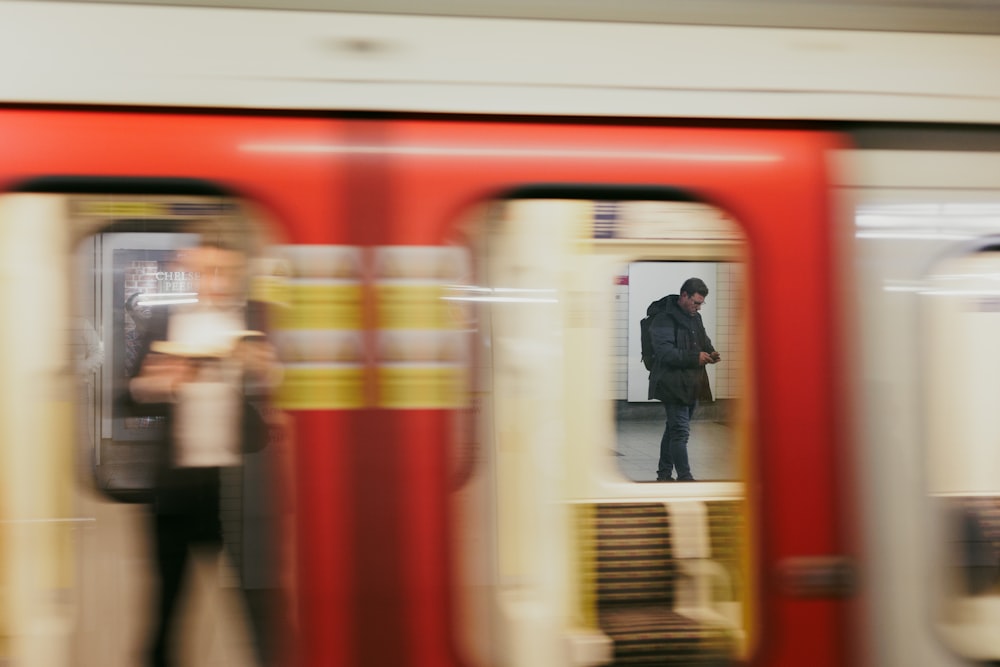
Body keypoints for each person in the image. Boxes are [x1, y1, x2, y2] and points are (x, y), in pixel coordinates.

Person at [125, 223, 283, 667]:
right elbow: (127, 396)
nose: (214, 280)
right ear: (187, 272)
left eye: (223, 271)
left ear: (238, 273)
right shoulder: (159, 320)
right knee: (166, 606)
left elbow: (292, 390)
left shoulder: (260, 320)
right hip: (176, 488)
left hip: (241, 487)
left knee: (259, 606)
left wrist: (265, 372)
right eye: (204, 270)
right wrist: (159, 383)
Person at [647, 277, 721, 482]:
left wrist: (711, 352)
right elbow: (664, 352)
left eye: (701, 304)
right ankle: (685, 478)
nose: (698, 308)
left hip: (692, 383)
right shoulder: (664, 318)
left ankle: (663, 474)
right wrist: (695, 357)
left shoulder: (695, 318)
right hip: (672, 383)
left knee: (673, 429)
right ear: (684, 296)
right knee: (680, 432)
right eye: (696, 302)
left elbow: (703, 341)